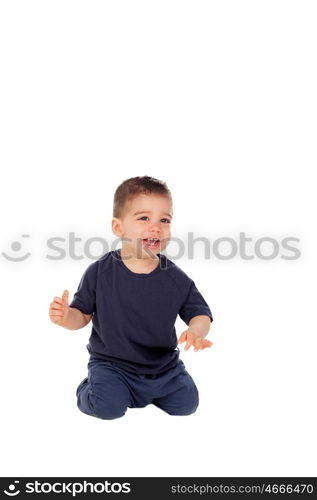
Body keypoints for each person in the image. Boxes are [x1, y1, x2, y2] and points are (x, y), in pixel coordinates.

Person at [49, 175, 214, 419]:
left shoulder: (175, 278)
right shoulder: (100, 272)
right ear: (118, 227)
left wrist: (196, 331)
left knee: (187, 405)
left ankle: (146, 393)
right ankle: (90, 388)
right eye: (144, 218)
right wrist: (65, 317)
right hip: (112, 366)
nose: (156, 226)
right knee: (108, 408)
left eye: (164, 220)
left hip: (163, 368)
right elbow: (81, 315)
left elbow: (201, 313)